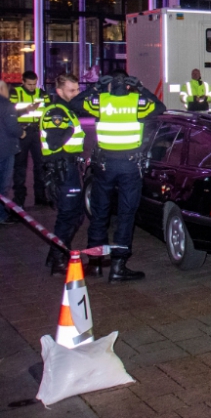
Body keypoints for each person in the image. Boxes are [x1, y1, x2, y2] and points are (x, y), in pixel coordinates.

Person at [71, 70, 165, 281]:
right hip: (130, 167)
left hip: (105, 166)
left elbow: (75, 105)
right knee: (126, 214)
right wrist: (141, 88)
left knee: (100, 212)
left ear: (109, 83)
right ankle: (118, 266)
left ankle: (95, 263)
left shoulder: (101, 102)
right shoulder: (137, 101)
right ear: (129, 83)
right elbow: (160, 108)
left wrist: (94, 88)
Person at [39, 74, 86, 274]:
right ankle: (58, 258)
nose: (76, 93)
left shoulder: (66, 110)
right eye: (71, 90)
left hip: (68, 167)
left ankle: (57, 253)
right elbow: (55, 141)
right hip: (62, 168)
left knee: (75, 214)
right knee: (69, 215)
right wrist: (68, 126)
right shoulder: (56, 111)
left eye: (77, 89)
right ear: (59, 91)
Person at [11, 71, 50, 209]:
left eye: (34, 84)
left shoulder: (42, 93)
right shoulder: (16, 92)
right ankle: (19, 199)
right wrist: (27, 109)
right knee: (20, 166)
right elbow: (10, 112)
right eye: (29, 84)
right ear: (23, 82)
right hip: (22, 132)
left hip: (37, 132)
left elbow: (48, 110)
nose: (32, 87)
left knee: (40, 165)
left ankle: (40, 197)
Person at [0, 80, 24, 225]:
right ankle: (2, 215)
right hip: (5, 149)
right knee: (3, 184)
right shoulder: (6, 105)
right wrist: (22, 133)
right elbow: (12, 128)